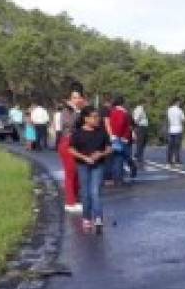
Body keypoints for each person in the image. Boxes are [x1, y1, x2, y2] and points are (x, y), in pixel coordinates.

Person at [69, 105, 111, 234]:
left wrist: (101, 154)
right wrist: (84, 157)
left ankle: (98, 218)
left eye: (98, 116)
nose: (97, 119)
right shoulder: (78, 133)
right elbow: (71, 149)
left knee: (95, 192)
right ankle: (86, 218)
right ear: (86, 119)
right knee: (86, 193)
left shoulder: (102, 132)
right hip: (83, 165)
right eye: (94, 117)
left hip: (98, 165)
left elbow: (109, 148)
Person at [57, 83, 88, 213]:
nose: (76, 100)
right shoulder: (66, 111)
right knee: (70, 174)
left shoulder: (80, 110)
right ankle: (70, 202)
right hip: (67, 143)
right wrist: (77, 111)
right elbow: (69, 124)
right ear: (69, 98)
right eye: (73, 97)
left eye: (78, 97)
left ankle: (75, 199)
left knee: (77, 174)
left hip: (77, 143)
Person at [107, 95, 134, 184]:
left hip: (113, 137)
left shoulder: (112, 112)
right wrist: (124, 137)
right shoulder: (123, 113)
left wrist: (112, 135)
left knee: (115, 158)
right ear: (122, 103)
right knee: (120, 158)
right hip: (121, 138)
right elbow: (124, 125)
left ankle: (116, 177)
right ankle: (119, 178)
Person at [166, 98, 185, 165]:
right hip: (178, 129)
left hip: (171, 129)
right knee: (177, 146)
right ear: (177, 102)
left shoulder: (169, 110)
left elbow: (168, 119)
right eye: (179, 102)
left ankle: (169, 160)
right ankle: (177, 160)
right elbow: (183, 119)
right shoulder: (180, 110)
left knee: (170, 146)